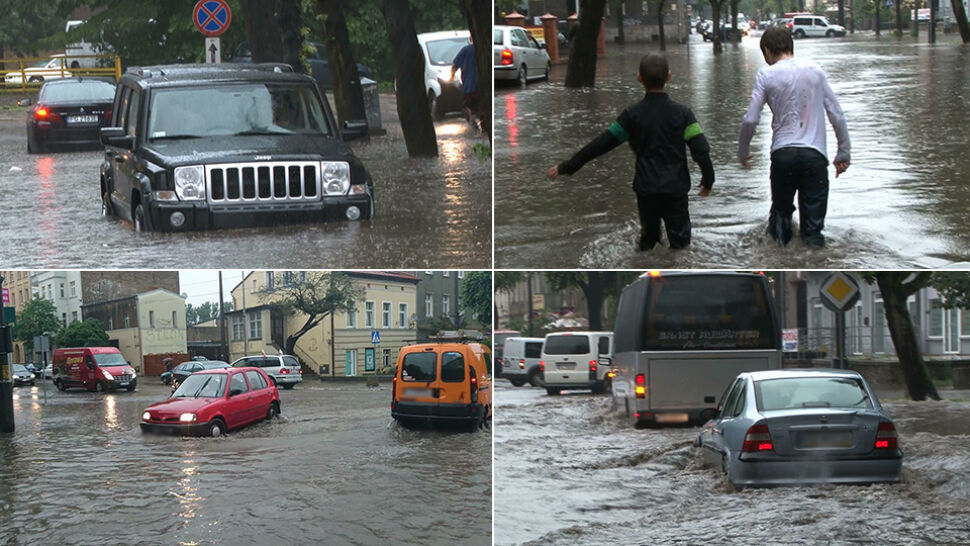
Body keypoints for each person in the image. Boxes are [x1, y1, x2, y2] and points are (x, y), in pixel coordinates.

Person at [547, 54, 715, 251]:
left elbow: (600, 145)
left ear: (639, 79)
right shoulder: (683, 114)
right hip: (675, 190)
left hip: (646, 190)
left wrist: (567, 166)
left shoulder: (631, 116)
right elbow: (701, 150)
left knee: (648, 241)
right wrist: (708, 180)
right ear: (669, 77)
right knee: (681, 244)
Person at [738, 26, 850, 249]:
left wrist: (743, 150)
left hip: (783, 155)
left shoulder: (766, 74)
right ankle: (814, 257)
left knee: (780, 213)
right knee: (814, 226)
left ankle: (779, 254)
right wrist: (843, 152)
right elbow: (836, 114)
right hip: (815, 156)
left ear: (768, 51)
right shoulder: (816, 71)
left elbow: (750, 119)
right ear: (791, 46)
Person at [450, 37, 484, 132]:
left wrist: (451, 77)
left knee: (467, 107)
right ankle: (484, 131)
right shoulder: (484, 49)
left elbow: (454, 66)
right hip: (482, 88)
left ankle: (473, 127)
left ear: (470, 38)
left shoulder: (466, 50)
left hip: (469, 87)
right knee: (483, 110)